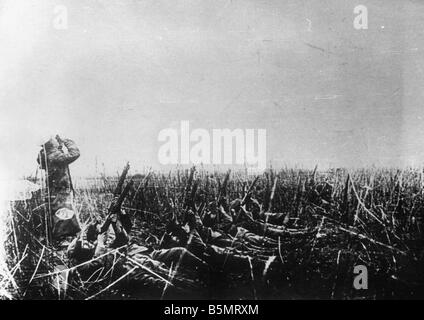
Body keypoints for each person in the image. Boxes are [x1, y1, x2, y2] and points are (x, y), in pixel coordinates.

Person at [37, 135, 81, 242]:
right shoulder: (55, 155)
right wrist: (66, 141)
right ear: (51, 144)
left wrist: (59, 146)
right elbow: (75, 154)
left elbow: (42, 160)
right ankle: (63, 237)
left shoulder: (47, 154)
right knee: (63, 212)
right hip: (60, 188)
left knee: (60, 211)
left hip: (54, 188)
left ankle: (62, 236)